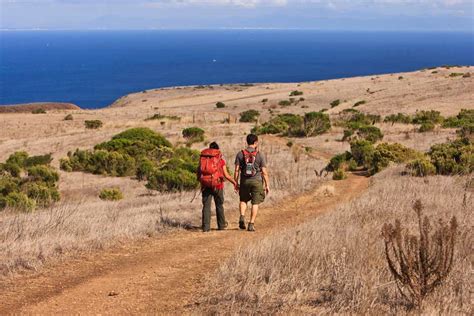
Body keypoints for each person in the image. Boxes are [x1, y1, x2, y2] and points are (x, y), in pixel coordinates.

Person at [198, 142, 238, 232]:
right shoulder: (220, 160)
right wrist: (234, 183)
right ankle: (221, 225)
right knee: (219, 205)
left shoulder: (203, 159)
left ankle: (206, 227)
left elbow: (199, 173)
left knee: (206, 206)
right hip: (218, 185)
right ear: (217, 150)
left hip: (205, 185)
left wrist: (202, 182)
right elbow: (226, 175)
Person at [234, 134, 269, 232]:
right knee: (255, 202)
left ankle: (242, 216)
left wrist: (235, 183)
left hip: (244, 181)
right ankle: (251, 224)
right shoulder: (260, 155)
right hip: (257, 181)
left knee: (243, 200)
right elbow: (264, 172)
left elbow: (236, 170)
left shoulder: (240, 154)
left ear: (247, 142)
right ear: (256, 142)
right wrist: (267, 185)